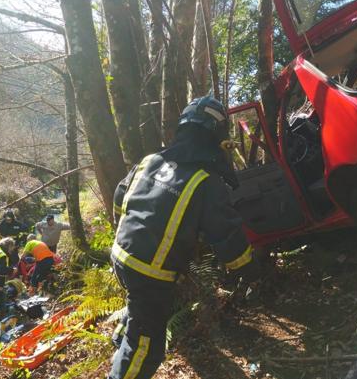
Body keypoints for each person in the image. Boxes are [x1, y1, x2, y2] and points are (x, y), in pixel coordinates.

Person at [107, 96, 261, 379]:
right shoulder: (206, 180)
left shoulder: (151, 160)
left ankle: (122, 338)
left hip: (120, 254)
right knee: (146, 346)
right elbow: (226, 235)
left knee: (139, 306)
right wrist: (248, 268)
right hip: (150, 271)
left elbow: (119, 198)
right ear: (216, 134)